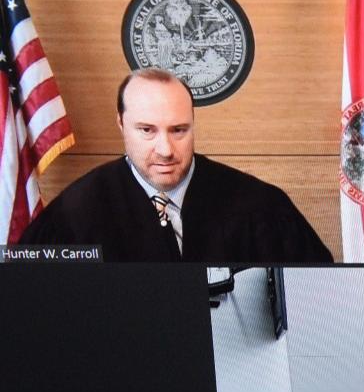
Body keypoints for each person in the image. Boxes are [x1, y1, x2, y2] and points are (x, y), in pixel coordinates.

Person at [17, 69, 333, 262]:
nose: (166, 150)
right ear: (121, 124)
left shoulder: (262, 207)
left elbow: (316, 305)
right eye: (147, 130)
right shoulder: (72, 218)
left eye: (179, 130)